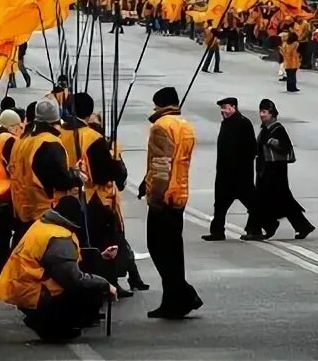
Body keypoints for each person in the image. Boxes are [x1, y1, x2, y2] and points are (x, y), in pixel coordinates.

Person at [0, 195, 116, 342]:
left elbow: (63, 260)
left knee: (83, 281)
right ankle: (52, 324)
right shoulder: (58, 237)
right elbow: (73, 279)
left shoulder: (43, 224)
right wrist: (105, 285)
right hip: (34, 292)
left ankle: (44, 319)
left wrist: (99, 256)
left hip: (21, 287)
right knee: (89, 292)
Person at [59, 92, 137, 298]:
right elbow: (104, 174)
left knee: (79, 244)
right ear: (89, 112)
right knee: (103, 243)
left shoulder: (58, 133)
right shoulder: (93, 138)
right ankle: (104, 284)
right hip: (94, 199)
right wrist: (115, 167)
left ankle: (80, 282)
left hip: (66, 198)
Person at [140, 86, 202, 319]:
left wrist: (153, 192)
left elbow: (161, 164)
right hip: (180, 193)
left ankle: (183, 295)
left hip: (163, 197)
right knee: (174, 251)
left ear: (160, 104)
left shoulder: (161, 127)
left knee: (158, 247)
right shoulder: (185, 126)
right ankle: (173, 300)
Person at [8, 99, 83, 248]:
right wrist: (76, 177)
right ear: (55, 119)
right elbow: (59, 179)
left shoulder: (23, 140)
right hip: (44, 215)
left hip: (21, 213)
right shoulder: (49, 143)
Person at [202, 97, 264, 241]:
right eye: (222, 108)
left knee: (252, 203)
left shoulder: (243, 123)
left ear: (234, 107)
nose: (223, 111)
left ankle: (260, 228)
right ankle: (217, 232)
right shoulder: (226, 123)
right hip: (224, 173)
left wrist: (240, 167)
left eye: (226, 107)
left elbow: (251, 149)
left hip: (240, 174)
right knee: (220, 205)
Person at [256, 99, 315, 239]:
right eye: (261, 112)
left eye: (265, 112)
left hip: (276, 170)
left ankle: (271, 224)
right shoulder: (265, 129)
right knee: (280, 200)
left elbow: (285, 147)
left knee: (279, 199)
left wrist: (271, 142)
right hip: (266, 168)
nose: (262, 115)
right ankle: (302, 226)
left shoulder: (277, 128)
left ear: (272, 114)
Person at [0, 109, 24, 270]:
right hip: (9, 193)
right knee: (16, 234)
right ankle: (7, 268)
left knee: (2, 235)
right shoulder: (9, 141)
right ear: (13, 127)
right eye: (20, 127)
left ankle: (1, 265)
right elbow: (13, 167)